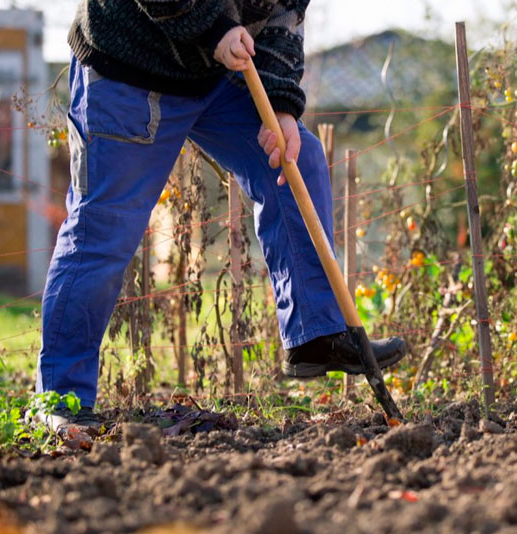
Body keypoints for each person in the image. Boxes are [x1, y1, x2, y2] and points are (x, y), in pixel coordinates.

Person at [37, 1, 407, 429]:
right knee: (102, 229)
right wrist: (213, 28)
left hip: (214, 74)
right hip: (130, 66)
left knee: (293, 161)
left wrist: (282, 105)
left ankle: (316, 333)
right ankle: (61, 400)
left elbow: (285, 17)